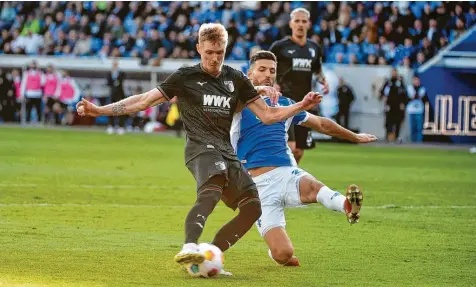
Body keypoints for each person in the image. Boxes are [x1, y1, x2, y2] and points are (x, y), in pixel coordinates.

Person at [76, 23, 322, 273]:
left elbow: (268, 115)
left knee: (253, 206)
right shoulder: (185, 77)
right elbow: (143, 101)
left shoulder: (235, 78)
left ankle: (205, 259)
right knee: (212, 188)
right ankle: (189, 246)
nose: (214, 59)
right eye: (209, 53)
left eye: (220, 52)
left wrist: (301, 105)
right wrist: (100, 110)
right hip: (199, 148)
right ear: (198, 49)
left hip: (227, 150)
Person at [231, 50, 377, 267]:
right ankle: (277, 252)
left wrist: (353, 136)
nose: (268, 75)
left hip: (285, 173)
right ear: (249, 73)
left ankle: (348, 206)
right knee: (283, 254)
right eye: (261, 70)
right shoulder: (236, 103)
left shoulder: (285, 103)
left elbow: (321, 124)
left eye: (272, 71)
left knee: (313, 187)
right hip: (255, 188)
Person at [270, 8, 329, 164]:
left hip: (304, 104)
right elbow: (266, 67)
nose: (300, 24)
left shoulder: (314, 48)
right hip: (285, 103)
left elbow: (317, 69)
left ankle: (288, 179)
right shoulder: (279, 47)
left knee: (299, 151)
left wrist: (323, 80)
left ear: (309, 24)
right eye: (297, 21)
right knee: (290, 146)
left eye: (304, 21)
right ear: (291, 23)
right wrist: (274, 83)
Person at [380, 68, 408, 143]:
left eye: (395, 72)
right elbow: (382, 91)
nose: (394, 74)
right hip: (389, 106)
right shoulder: (388, 82)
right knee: (388, 122)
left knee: (398, 122)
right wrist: (383, 98)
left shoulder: (400, 82)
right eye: (392, 72)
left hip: (398, 106)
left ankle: (397, 137)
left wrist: (403, 103)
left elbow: (405, 94)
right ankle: (387, 137)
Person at [107, 59, 126, 135]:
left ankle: (121, 127)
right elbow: (108, 83)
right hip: (112, 95)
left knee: (120, 110)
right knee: (111, 111)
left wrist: (117, 81)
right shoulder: (109, 73)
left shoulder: (121, 73)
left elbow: (121, 82)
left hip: (120, 94)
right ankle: (111, 126)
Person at [406, 75, 426, 143]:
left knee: (419, 128)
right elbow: (410, 97)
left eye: (417, 80)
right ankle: (413, 143)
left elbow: (421, 97)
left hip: (419, 110)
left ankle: (419, 143)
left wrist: (416, 96)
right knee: (413, 128)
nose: (416, 82)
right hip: (411, 110)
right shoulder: (410, 88)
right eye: (415, 80)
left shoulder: (422, 88)